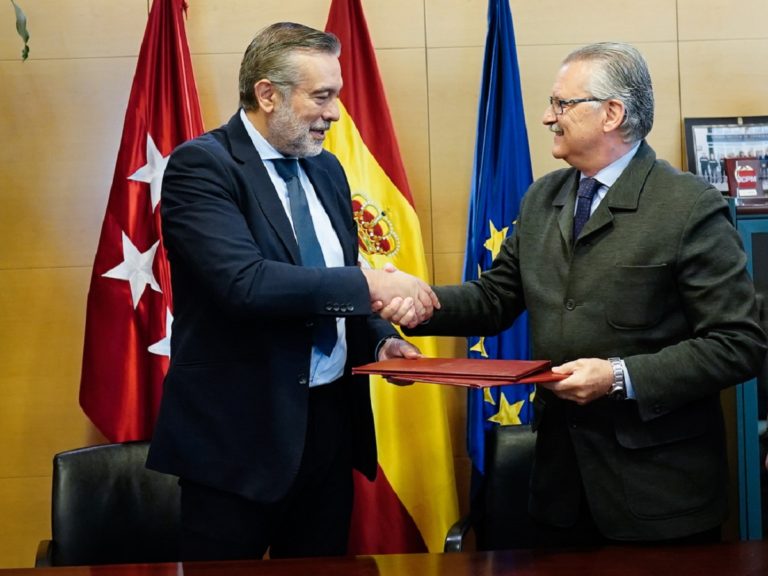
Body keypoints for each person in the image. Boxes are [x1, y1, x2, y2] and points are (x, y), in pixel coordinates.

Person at [390, 42, 767, 547]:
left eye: (563, 104)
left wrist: (618, 377)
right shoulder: (543, 197)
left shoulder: (688, 206)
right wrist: (418, 300)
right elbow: (495, 298)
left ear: (612, 113)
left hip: (658, 496)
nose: (548, 117)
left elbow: (737, 342)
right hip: (558, 492)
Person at [146, 22, 437, 561]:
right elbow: (245, 282)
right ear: (267, 94)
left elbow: (333, 280)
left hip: (327, 429)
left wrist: (378, 341)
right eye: (322, 97)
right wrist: (373, 283)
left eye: (337, 96)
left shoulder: (327, 169)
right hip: (236, 439)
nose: (334, 113)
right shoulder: (202, 166)